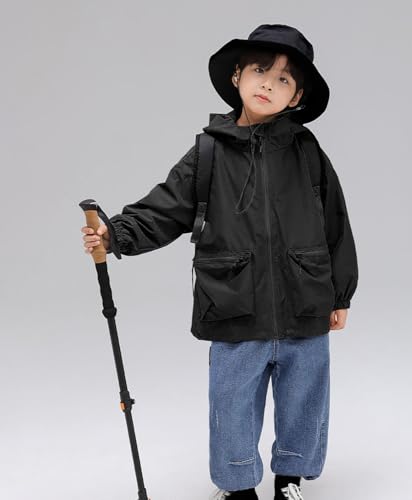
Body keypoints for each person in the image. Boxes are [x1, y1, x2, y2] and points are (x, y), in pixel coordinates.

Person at [81, 23, 358, 500]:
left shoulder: (307, 151)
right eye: (260, 71)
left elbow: (336, 222)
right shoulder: (208, 152)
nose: (269, 83)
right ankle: (237, 486)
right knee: (231, 402)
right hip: (234, 304)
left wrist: (341, 293)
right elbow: (165, 208)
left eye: (284, 79)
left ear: (296, 97)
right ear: (237, 77)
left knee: (305, 398)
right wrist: (116, 233)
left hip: (305, 301)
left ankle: (290, 479)